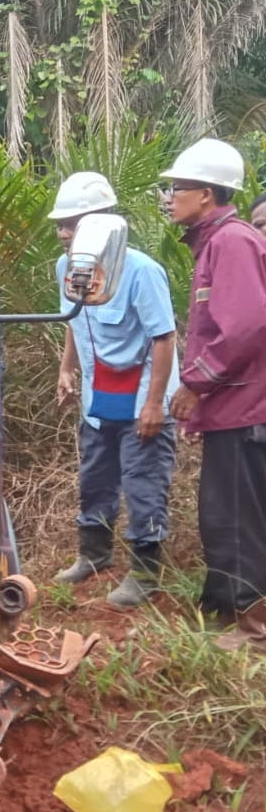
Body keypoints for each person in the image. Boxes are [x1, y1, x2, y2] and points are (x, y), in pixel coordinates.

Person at [51, 171, 180, 608]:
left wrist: (153, 404)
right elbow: (75, 321)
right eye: (61, 224)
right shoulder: (67, 268)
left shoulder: (142, 271)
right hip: (98, 397)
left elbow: (164, 337)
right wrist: (67, 370)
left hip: (141, 392)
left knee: (143, 483)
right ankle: (94, 555)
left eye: (72, 223)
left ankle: (144, 573)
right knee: (95, 475)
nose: (62, 233)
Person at [162, 139, 266, 643]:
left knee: (238, 516)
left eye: (177, 187)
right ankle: (223, 605)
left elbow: (244, 326)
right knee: (222, 511)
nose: (169, 197)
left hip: (244, 409)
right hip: (231, 408)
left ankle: (252, 622)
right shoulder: (215, 242)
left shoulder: (233, 241)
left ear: (206, 194)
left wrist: (194, 384)